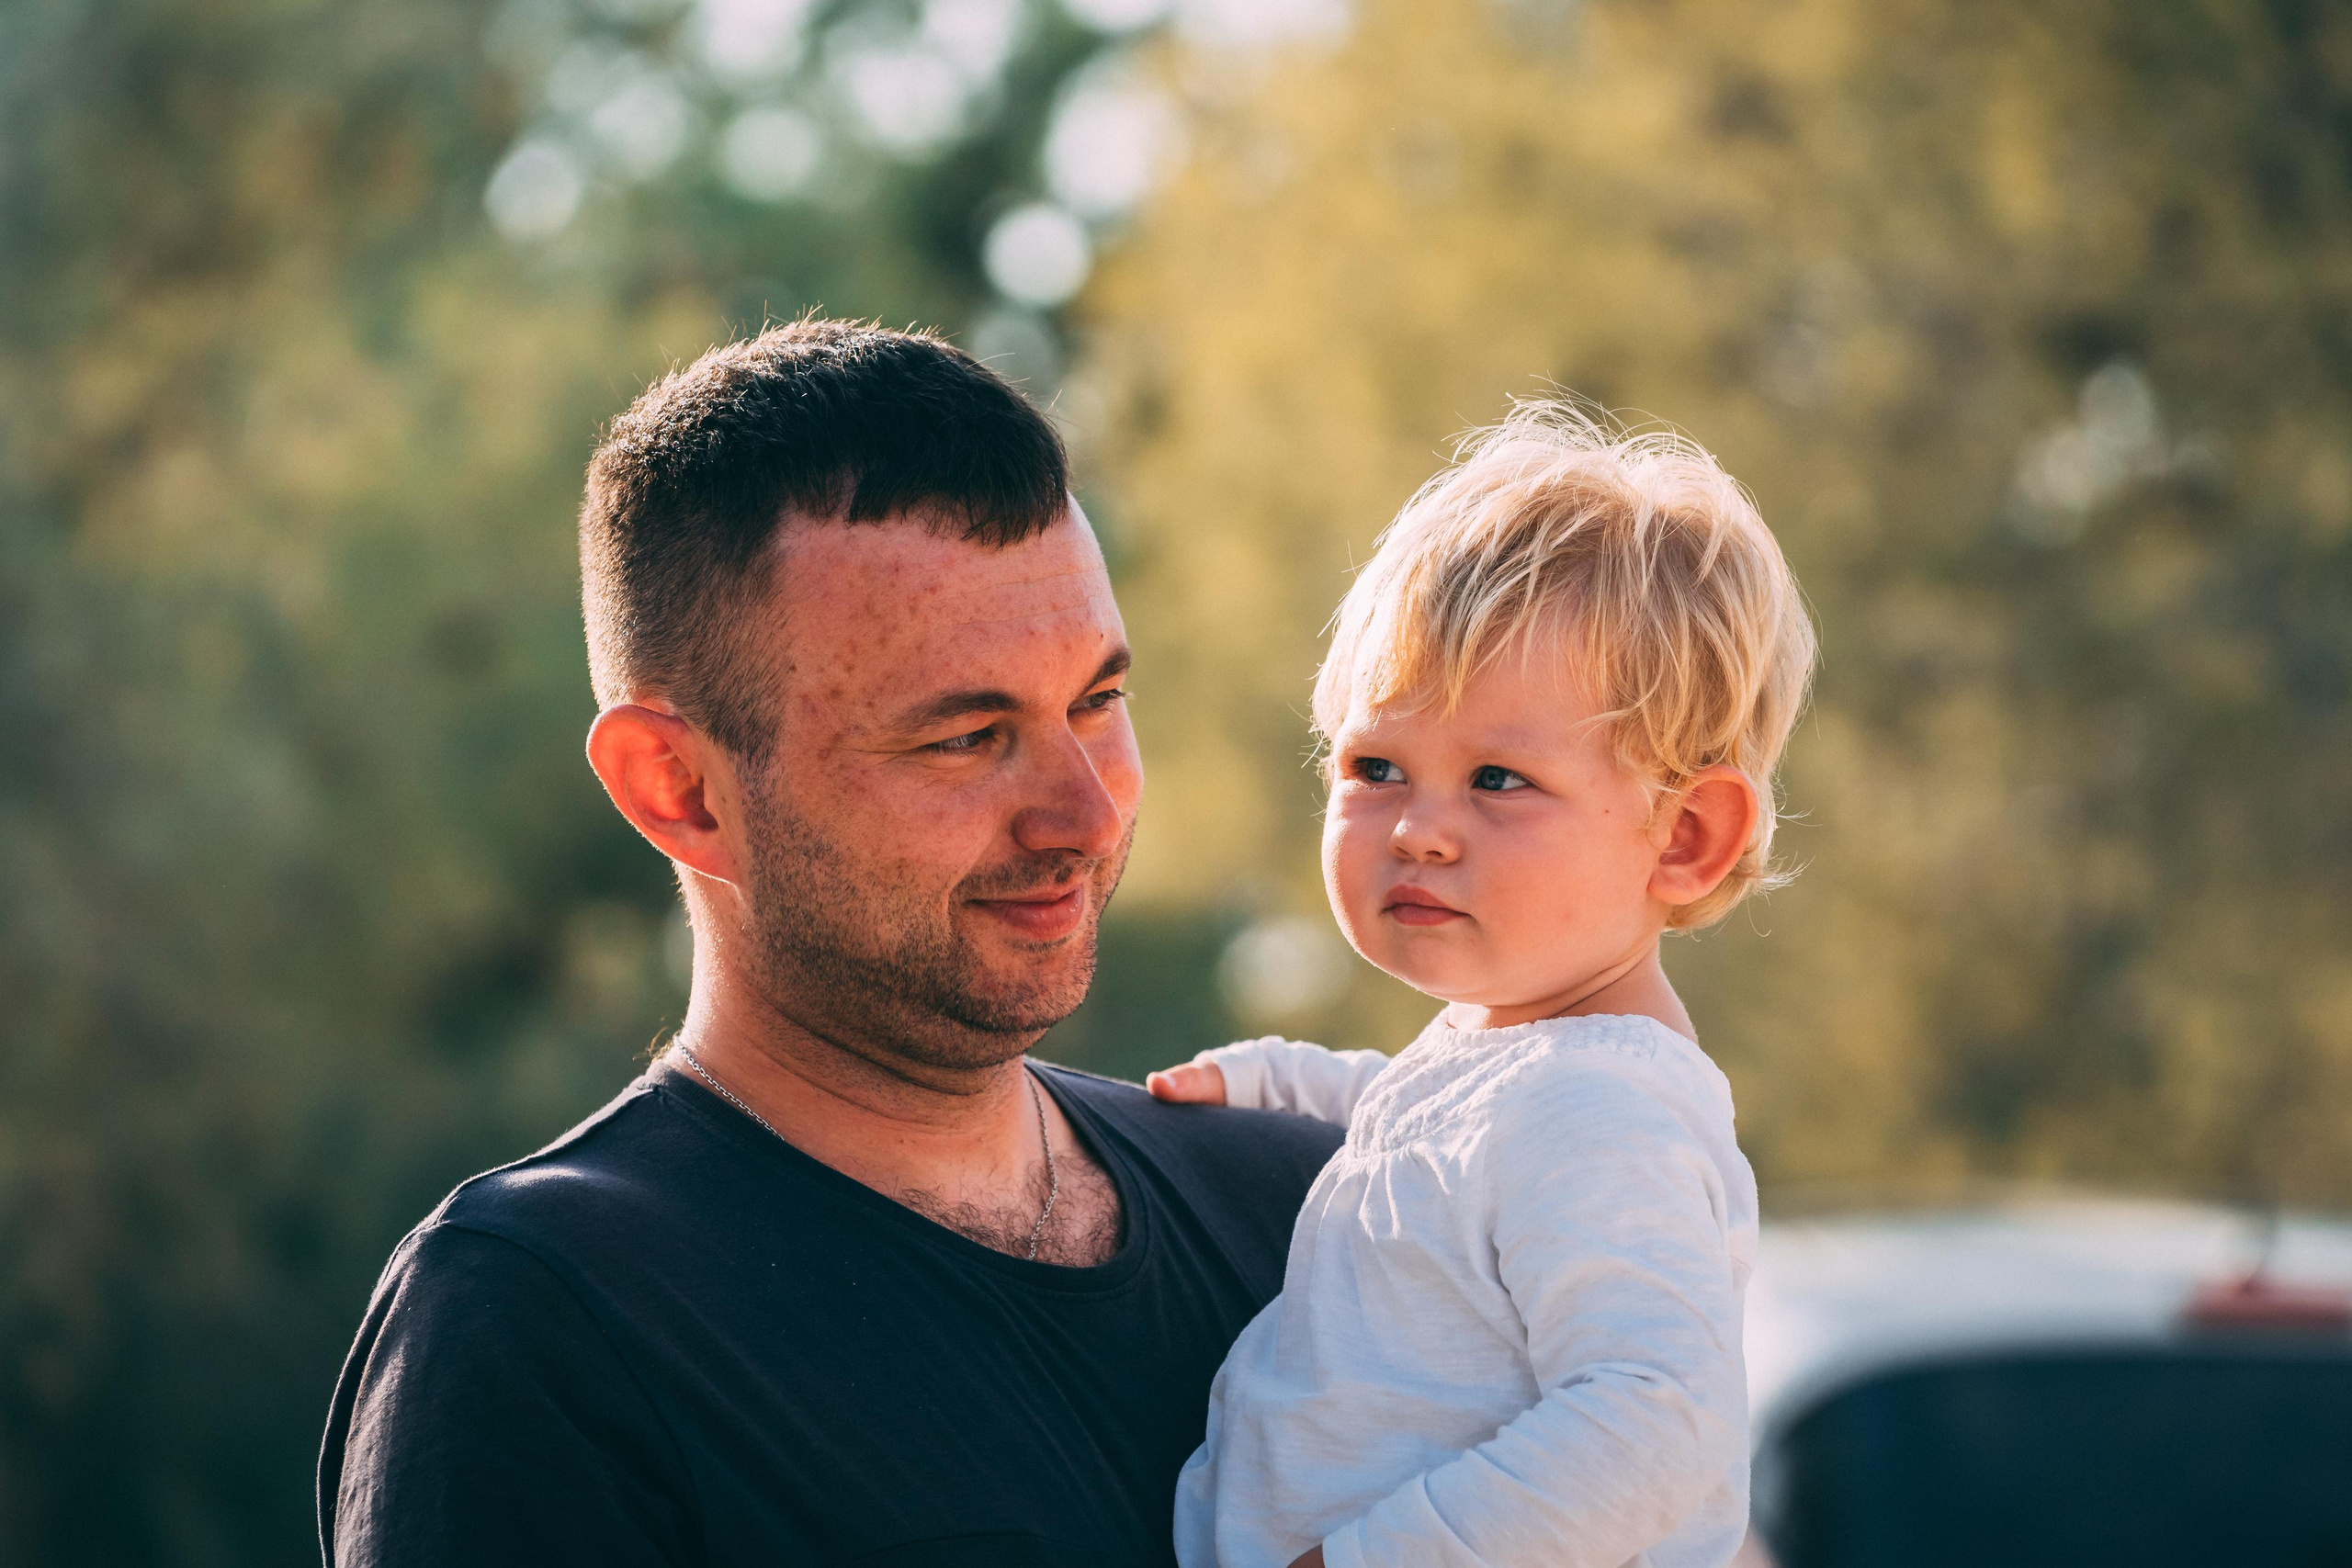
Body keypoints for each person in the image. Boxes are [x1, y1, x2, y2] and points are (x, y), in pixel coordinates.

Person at [315, 319, 1341, 1567]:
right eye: (965, 736)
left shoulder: (1318, 1213)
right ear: (677, 787)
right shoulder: (546, 1319)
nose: (1084, 811)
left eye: (1098, 702)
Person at [1148, 402, 1817, 1568]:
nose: (1419, 829)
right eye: (1374, 767)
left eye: (1497, 778)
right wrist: (1279, 1085)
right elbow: (1436, 1136)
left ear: (1685, 838)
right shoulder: (1522, 1078)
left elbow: (1657, 1419)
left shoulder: (1600, 1116)